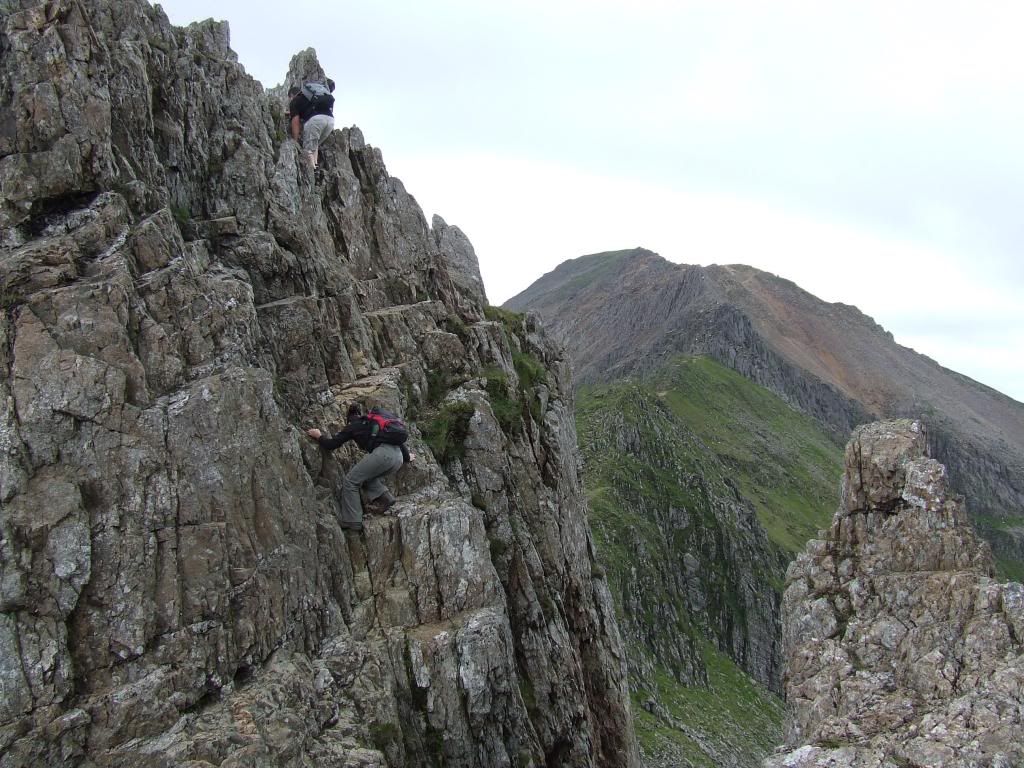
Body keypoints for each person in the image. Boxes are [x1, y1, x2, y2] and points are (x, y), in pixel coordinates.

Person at [307, 403, 412, 531]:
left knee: (351, 481)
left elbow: (331, 444)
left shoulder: (353, 426)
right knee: (366, 477)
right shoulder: (373, 424)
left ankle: (353, 521)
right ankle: (386, 499)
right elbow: (398, 442)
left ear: (349, 419)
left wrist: (319, 436)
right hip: (398, 457)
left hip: (383, 455)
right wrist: (407, 457)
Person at [288, 78, 336, 168]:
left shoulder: (294, 101)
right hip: (330, 121)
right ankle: (315, 166)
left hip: (315, 120)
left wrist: (295, 141)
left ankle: (311, 171)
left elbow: (295, 122)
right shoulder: (310, 96)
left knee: (307, 151)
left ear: (291, 95)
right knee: (314, 143)